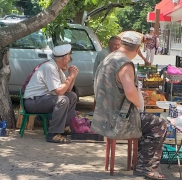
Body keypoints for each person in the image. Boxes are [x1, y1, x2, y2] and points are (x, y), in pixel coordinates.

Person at [91, 31, 167, 180]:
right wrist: (140, 104)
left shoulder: (109, 58)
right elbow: (130, 92)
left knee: (147, 122)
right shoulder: (125, 63)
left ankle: (139, 163)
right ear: (137, 48)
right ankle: (145, 168)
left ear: (121, 44)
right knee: (160, 124)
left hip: (104, 115)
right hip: (120, 119)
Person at [23, 44, 79, 144]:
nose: (70, 58)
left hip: (42, 99)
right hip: (33, 102)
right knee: (62, 99)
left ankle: (66, 127)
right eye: (69, 55)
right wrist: (71, 75)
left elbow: (68, 90)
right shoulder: (49, 67)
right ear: (65, 57)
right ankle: (53, 134)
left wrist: (73, 76)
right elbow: (60, 92)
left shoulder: (57, 68)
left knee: (72, 96)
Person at [88, 36, 121, 116]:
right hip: (100, 79)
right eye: (115, 44)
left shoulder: (114, 53)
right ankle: (96, 113)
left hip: (105, 79)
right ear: (109, 44)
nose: (117, 47)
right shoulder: (104, 54)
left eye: (118, 45)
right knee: (100, 98)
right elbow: (105, 71)